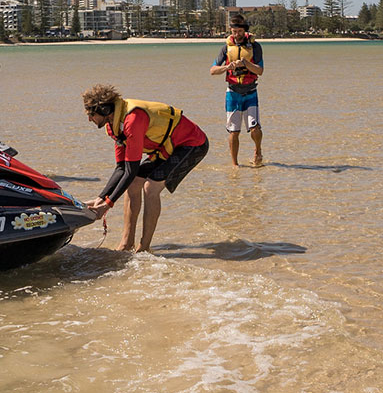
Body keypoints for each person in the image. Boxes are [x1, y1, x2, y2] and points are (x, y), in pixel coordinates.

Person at [81, 84, 208, 253]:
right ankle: (127, 244)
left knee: (151, 187)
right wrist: (101, 198)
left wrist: (107, 205)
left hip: (192, 144)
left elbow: (131, 169)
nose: (89, 119)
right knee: (133, 184)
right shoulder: (113, 126)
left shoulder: (132, 120)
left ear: (104, 110)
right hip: (166, 148)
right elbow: (121, 168)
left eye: (92, 114)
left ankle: (144, 247)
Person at [209, 15, 264, 167]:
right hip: (232, 94)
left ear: (245, 31)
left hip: (251, 92)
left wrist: (246, 63)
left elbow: (260, 71)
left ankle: (258, 151)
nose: (236, 34)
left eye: (239, 31)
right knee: (234, 131)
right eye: (234, 31)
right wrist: (227, 67)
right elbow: (212, 70)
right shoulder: (226, 48)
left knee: (255, 128)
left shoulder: (255, 47)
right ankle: (235, 165)